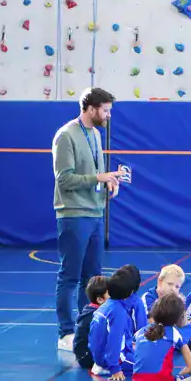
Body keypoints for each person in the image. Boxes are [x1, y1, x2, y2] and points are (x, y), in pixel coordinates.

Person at [53, 86, 121, 352]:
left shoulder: (94, 134)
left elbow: (96, 174)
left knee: (92, 278)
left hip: (94, 213)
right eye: (105, 110)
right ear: (90, 109)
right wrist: (98, 178)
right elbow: (65, 179)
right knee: (69, 276)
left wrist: (108, 184)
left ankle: (86, 326)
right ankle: (66, 333)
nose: (107, 116)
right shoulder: (66, 135)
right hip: (73, 214)